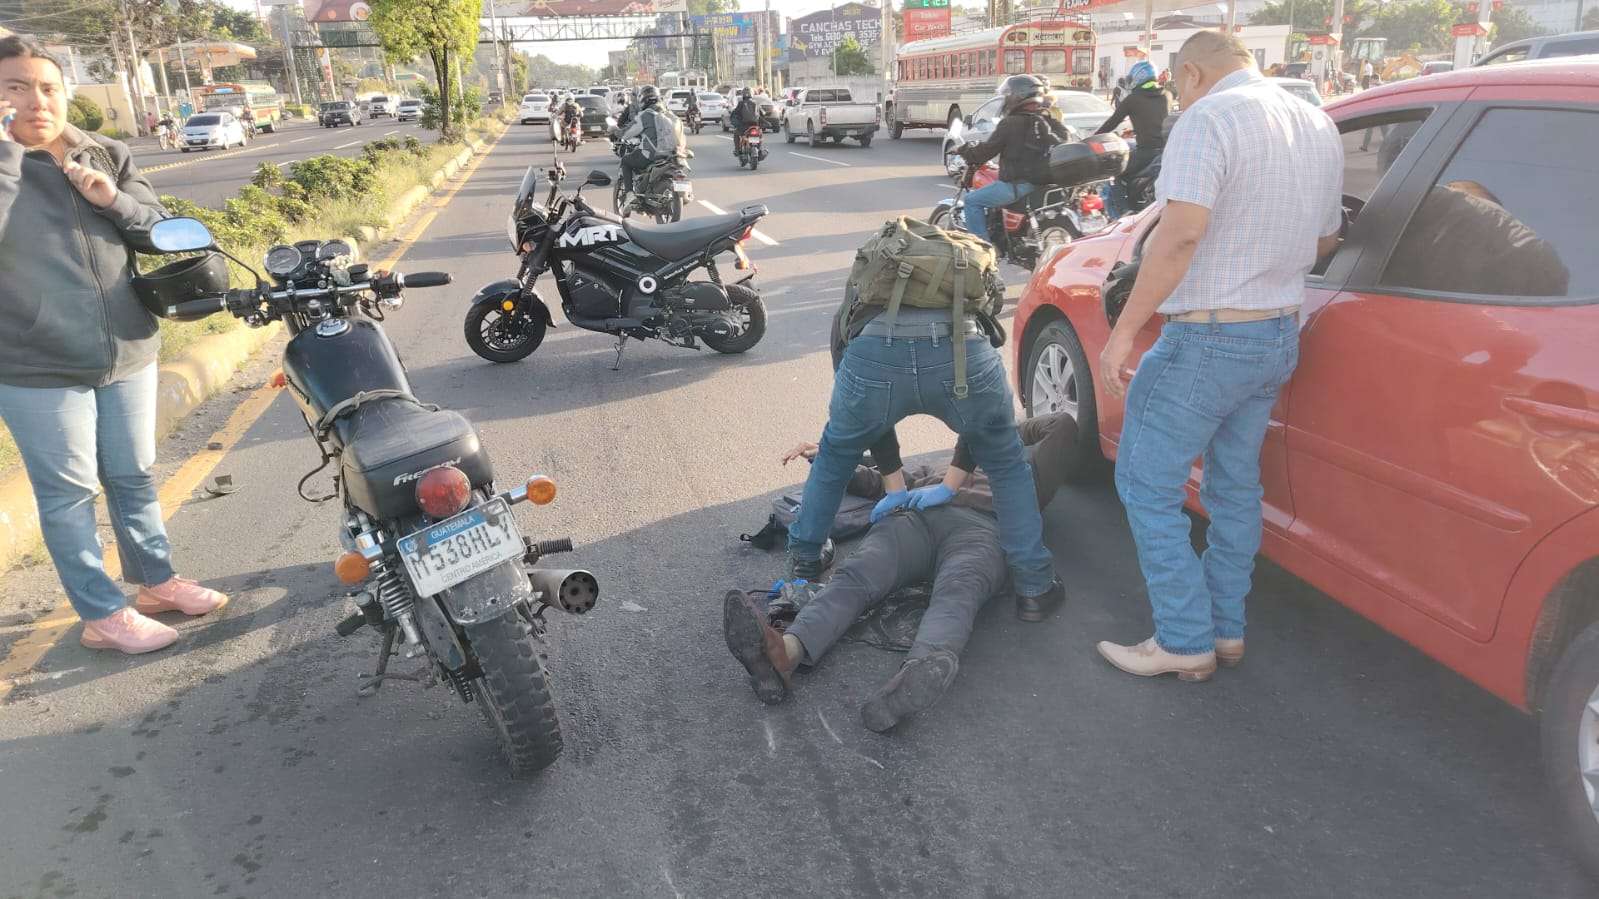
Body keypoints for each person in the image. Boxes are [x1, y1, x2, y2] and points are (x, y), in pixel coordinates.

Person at [1093, 30, 1342, 682]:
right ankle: (1225, 630)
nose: (1177, 97)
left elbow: (1179, 236)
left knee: (1145, 483)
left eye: (1177, 85)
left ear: (1193, 73)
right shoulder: (1316, 121)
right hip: (1277, 333)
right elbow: (1325, 238)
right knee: (1234, 488)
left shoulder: (1208, 118)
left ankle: (1183, 638)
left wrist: (1123, 333)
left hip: (1208, 336)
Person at [0, 36, 228, 655]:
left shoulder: (106, 153)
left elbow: (162, 232)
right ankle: (101, 614)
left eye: (48, 87)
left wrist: (113, 200)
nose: (36, 101)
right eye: (16, 87)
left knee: (132, 474)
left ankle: (155, 582)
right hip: (36, 364)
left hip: (127, 347)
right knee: (69, 493)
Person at [727, 414, 1079, 729]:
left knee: (956, 596)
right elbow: (878, 482)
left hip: (983, 531)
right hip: (915, 520)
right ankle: (785, 653)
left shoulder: (1030, 474)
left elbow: (1061, 424)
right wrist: (829, 459)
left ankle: (914, 678)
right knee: (856, 575)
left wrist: (992, 430)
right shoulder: (937, 467)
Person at [785, 250, 1066, 626]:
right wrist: (950, 484)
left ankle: (806, 561)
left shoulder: (857, 299)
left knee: (836, 454)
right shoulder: (967, 290)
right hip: (962, 352)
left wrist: (894, 485)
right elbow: (981, 425)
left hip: (874, 353)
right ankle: (1034, 588)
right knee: (1006, 464)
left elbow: (867, 416)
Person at [956, 74, 1070, 246]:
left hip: (1017, 185)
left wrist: (965, 150)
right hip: (1044, 183)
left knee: (972, 201)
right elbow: (1064, 138)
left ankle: (982, 248)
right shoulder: (1044, 119)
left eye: (1008, 95)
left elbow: (985, 152)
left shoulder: (1010, 123)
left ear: (1017, 96)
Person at [1095, 60, 1169, 217]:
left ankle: (1124, 212)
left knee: (1114, 171)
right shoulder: (1166, 96)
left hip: (1146, 152)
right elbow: (1156, 119)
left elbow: (1112, 123)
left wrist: (1093, 139)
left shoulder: (1133, 99)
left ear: (1139, 77)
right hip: (1165, 152)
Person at [619, 85, 682, 193]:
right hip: (672, 154)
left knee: (625, 160)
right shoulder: (668, 113)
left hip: (652, 155)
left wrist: (615, 132)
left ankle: (629, 194)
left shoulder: (645, 115)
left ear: (643, 100)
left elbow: (626, 134)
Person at [729, 87, 760, 157]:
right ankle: (760, 149)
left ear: (742, 95)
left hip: (744, 126)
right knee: (759, 135)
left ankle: (737, 150)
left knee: (736, 133)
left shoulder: (741, 103)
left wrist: (733, 119)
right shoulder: (755, 103)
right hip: (755, 125)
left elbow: (735, 113)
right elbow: (759, 115)